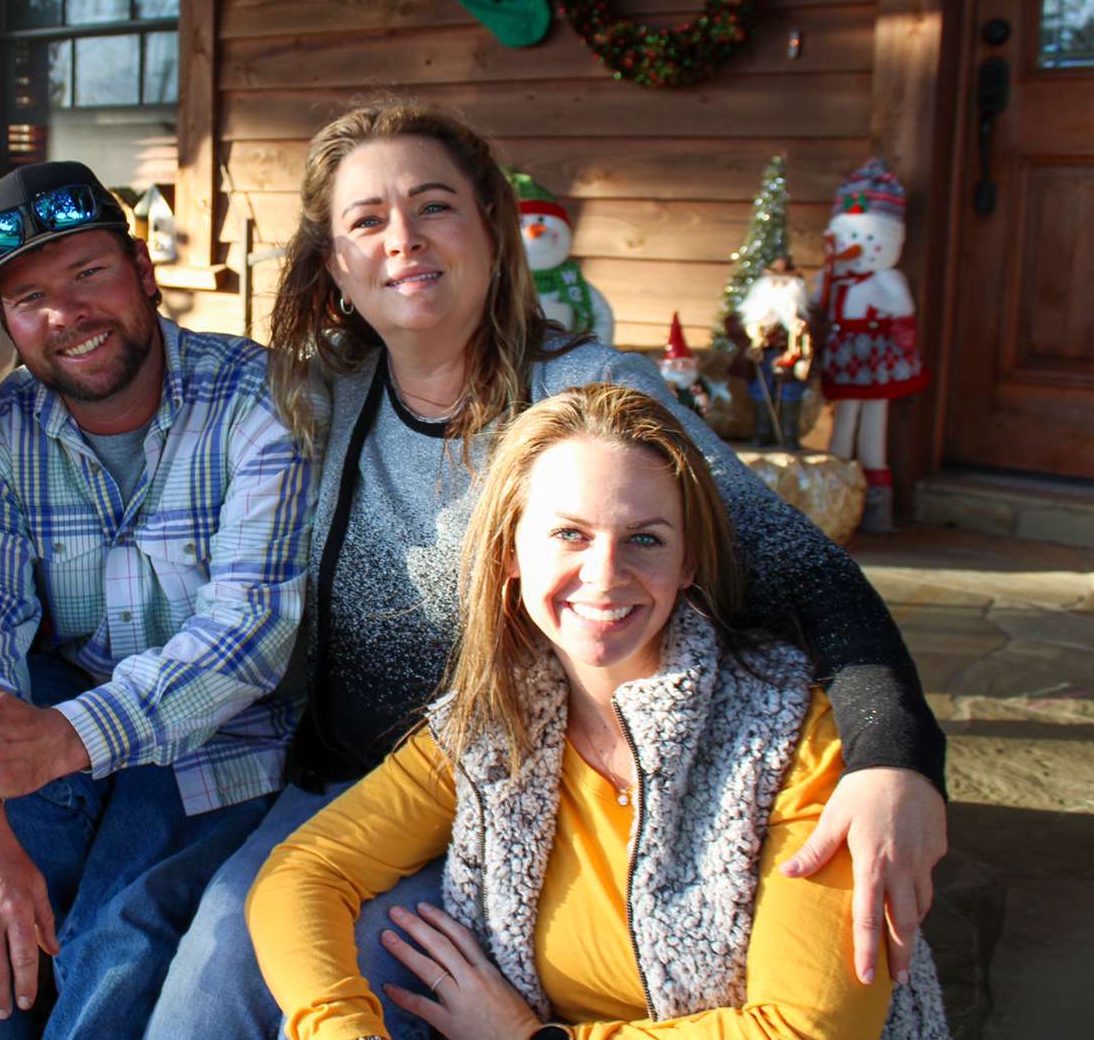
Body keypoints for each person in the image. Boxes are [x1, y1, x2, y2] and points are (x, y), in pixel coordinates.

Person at [147, 102, 948, 1039]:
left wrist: (897, 760)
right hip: (364, 789)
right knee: (201, 949)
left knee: (260, 967)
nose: (403, 239)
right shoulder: (321, 393)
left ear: (492, 227)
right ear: (336, 266)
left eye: (435, 205)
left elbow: (806, 574)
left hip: (511, 795)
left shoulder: (588, 394)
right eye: (367, 221)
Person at [246, 384, 950, 1039]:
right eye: (569, 535)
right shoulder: (493, 728)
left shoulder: (792, 737)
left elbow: (815, 1027)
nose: (606, 574)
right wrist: (340, 1026)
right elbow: (304, 873)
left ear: (689, 563)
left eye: (645, 538)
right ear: (511, 552)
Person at [0, 160, 316, 1037]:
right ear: (5, 323)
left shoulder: (261, 402)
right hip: (61, 738)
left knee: (115, 941)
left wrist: (62, 737)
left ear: (143, 270)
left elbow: (249, 635)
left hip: (221, 739)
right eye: (29, 297)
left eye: (88, 273)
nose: (65, 315)